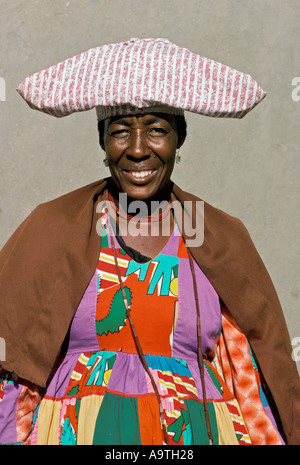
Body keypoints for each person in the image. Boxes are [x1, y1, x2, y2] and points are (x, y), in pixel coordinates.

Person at [0, 38, 299, 446]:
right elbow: (16, 373)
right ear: (102, 141)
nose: (138, 150)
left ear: (180, 138)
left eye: (157, 131)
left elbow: (247, 373)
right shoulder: (60, 227)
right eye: (121, 132)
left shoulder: (206, 233)